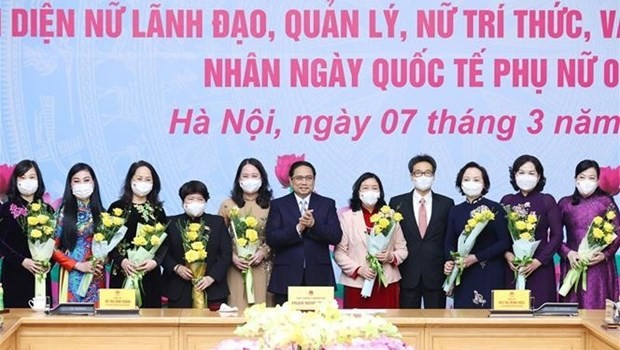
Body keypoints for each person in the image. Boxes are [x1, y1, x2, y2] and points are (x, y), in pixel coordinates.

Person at [265, 160, 343, 305]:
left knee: (320, 324)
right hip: (286, 276)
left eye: (308, 178)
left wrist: (314, 225)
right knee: (285, 325)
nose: (304, 182)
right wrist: (298, 229)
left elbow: (336, 236)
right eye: (299, 178)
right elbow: (272, 238)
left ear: (314, 180)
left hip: (319, 276)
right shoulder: (278, 205)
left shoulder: (327, 204)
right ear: (291, 180)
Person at [389, 155, 454, 309]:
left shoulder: (446, 203)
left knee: (437, 324)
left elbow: (449, 237)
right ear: (412, 176)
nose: (423, 176)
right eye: (418, 173)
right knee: (408, 325)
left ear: (434, 176)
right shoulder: (396, 202)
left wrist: (450, 266)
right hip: (407, 272)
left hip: (436, 273)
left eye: (427, 173)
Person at [334, 172, 408, 308]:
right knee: (357, 327)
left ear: (380, 192)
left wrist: (391, 257)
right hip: (357, 284)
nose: (370, 192)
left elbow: (403, 249)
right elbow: (339, 253)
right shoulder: (347, 217)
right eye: (365, 188)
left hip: (386, 283)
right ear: (358, 192)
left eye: (375, 188)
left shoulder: (391, 217)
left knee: (388, 326)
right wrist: (358, 269)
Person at [443, 161, 510, 309]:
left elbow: (504, 241)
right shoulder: (455, 210)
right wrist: (451, 260)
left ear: (485, 184)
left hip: (489, 271)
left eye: (476, 179)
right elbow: (449, 242)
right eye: (466, 179)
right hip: (464, 273)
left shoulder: (494, 208)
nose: (471, 183)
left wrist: (476, 257)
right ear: (460, 183)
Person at [500, 155, 562, 307]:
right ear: (514, 175)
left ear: (539, 176)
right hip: (513, 266)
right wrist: (508, 255)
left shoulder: (546, 200)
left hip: (540, 267)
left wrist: (538, 261)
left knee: (541, 314)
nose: (526, 177)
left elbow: (557, 235)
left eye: (531, 173)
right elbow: (501, 236)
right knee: (512, 314)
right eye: (521, 172)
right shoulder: (507, 201)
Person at [558, 159, 620, 309]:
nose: (586, 181)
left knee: (599, 309)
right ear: (575, 179)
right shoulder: (564, 203)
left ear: (598, 180)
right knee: (571, 311)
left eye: (591, 178)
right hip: (574, 263)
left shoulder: (606, 202)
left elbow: (617, 231)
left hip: (598, 265)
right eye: (582, 177)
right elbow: (554, 236)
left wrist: (605, 254)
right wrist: (568, 253)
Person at [164, 180, 232, 310]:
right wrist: (176, 267)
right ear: (183, 201)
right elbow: (163, 252)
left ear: (205, 201)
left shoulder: (217, 223)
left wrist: (211, 277)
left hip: (212, 290)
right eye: (190, 199)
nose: (195, 202)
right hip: (179, 290)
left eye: (199, 199)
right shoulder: (171, 223)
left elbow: (226, 254)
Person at [108, 160, 168, 308]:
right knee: (120, 321)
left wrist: (155, 262)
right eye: (139, 178)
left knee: (150, 323)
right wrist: (122, 261)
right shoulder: (117, 208)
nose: (143, 182)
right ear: (130, 180)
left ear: (154, 183)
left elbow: (165, 242)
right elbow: (107, 241)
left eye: (148, 179)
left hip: (149, 274)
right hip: (122, 272)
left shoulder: (157, 210)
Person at [217, 158, 273, 310]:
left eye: (254, 176)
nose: (250, 180)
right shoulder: (228, 205)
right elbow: (218, 237)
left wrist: (264, 251)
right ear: (238, 179)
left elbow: (277, 237)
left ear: (262, 179)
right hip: (236, 266)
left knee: (263, 312)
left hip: (262, 266)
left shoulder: (272, 205)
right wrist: (232, 257)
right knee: (236, 310)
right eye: (245, 176)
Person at [0, 160, 53, 307]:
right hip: (15, 272)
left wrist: (48, 264)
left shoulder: (47, 210)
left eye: (32, 177)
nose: (27, 181)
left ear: (38, 180)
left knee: (42, 320)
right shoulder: (6, 209)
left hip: (40, 274)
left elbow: (54, 243)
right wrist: (23, 261)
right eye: (22, 177)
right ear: (15, 181)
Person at [53, 163, 105, 303]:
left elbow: (108, 249)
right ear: (70, 185)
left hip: (96, 275)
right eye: (77, 181)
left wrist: (102, 260)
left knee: (97, 319)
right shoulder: (62, 214)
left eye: (86, 180)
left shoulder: (103, 214)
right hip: (72, 274)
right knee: (73, 319)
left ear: (94, 183)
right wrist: (77, 265)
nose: (82, 184)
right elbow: (52, 248)